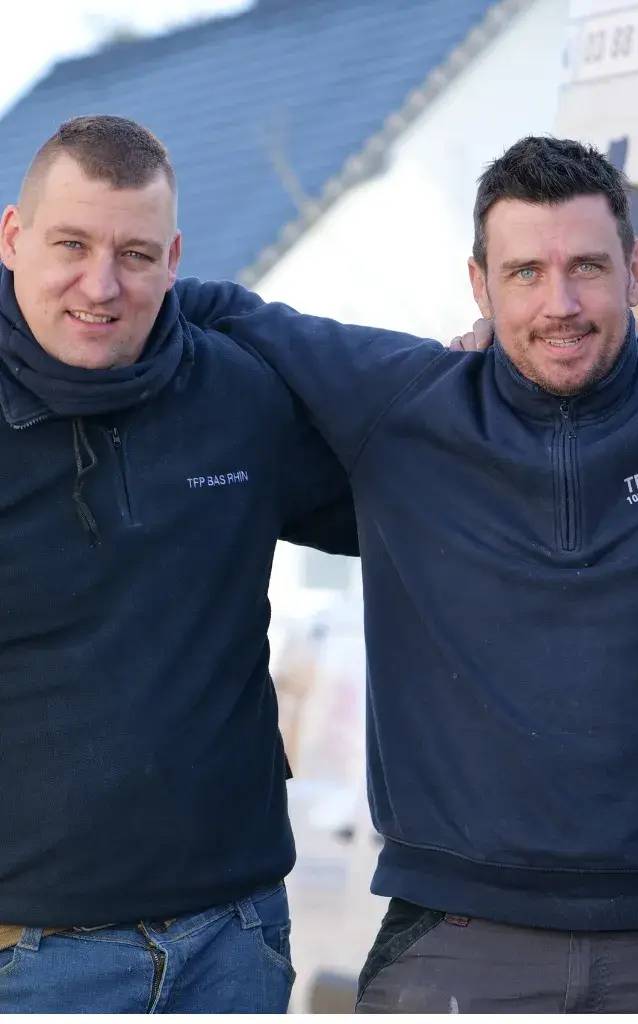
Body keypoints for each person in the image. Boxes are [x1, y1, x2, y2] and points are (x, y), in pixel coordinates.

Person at [184, 135, 638, 1013]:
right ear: (479, 285)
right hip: (456, 944)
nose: (559, 303)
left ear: (637, 268)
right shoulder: (404, 404)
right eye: (525, 272)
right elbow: (210, 306)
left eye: (586, 268)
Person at [0, 115, 358, 1013]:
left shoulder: (240, 394)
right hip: (29, 958)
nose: (101, 284)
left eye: (136, 253)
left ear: (174, 258)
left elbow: (410, 512)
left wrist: (490, 382)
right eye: (71, 245)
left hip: (233, 944)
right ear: (12, 236)